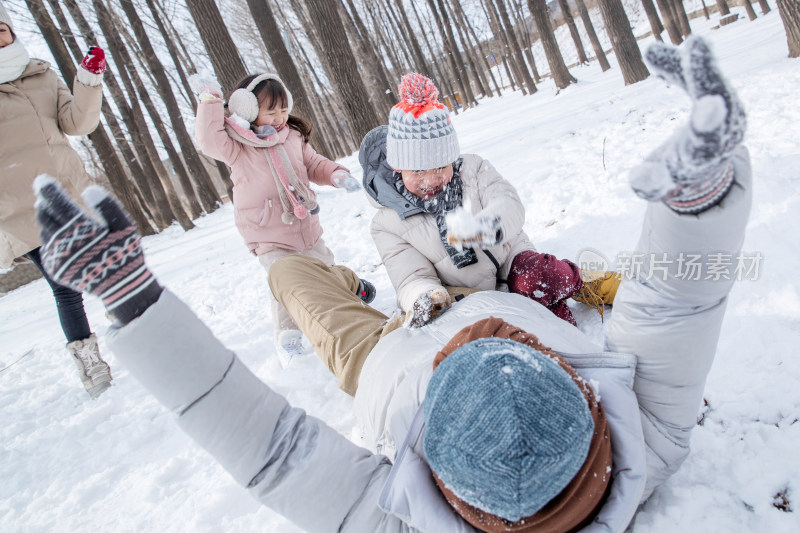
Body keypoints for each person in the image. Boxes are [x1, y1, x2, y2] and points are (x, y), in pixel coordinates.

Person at [33, 37, 749, 531]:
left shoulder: (397, 517)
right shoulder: (643, 442)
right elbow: (679, 302)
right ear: (587, 408)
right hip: (458, 299)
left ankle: (326, 282)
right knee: (569, 276)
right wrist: (703, 186)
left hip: (388, 357)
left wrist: (136, 304)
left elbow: (274, 453)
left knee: (293, 276)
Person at [360, 73, 619, 328]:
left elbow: (509, 204)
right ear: (398, 169)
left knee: (537, 279)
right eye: (417, 171)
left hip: (513, 260)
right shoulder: (388, 223)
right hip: (469, 296)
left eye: (440, 166)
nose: (431, 180)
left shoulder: (472, 169)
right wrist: (424, 296)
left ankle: (583, 283)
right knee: (540, 330)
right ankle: (563, 332)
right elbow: (410, 277)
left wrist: (486, 227)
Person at [191, 72, 375, 364]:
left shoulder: (292, 136)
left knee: (324, 271)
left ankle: (351, 291)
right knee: (287, 283)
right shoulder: (236, 144)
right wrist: (211, 101)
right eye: (270, 111)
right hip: (268, 234)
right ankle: (288, 339)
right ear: (248, 109)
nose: (279, 117)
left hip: (305, 227)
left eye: (283, 109)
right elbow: (207, 140)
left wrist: (337, 174)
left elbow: (313, 164)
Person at [0, 4, 111, 398]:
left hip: (70, 193)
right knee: (65, 284)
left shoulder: (41, 74)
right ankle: (90, 362)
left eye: (0, 28)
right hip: (22, 209)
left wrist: (89, 81)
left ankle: (137, 325)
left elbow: (77, 124)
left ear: (11, 32)